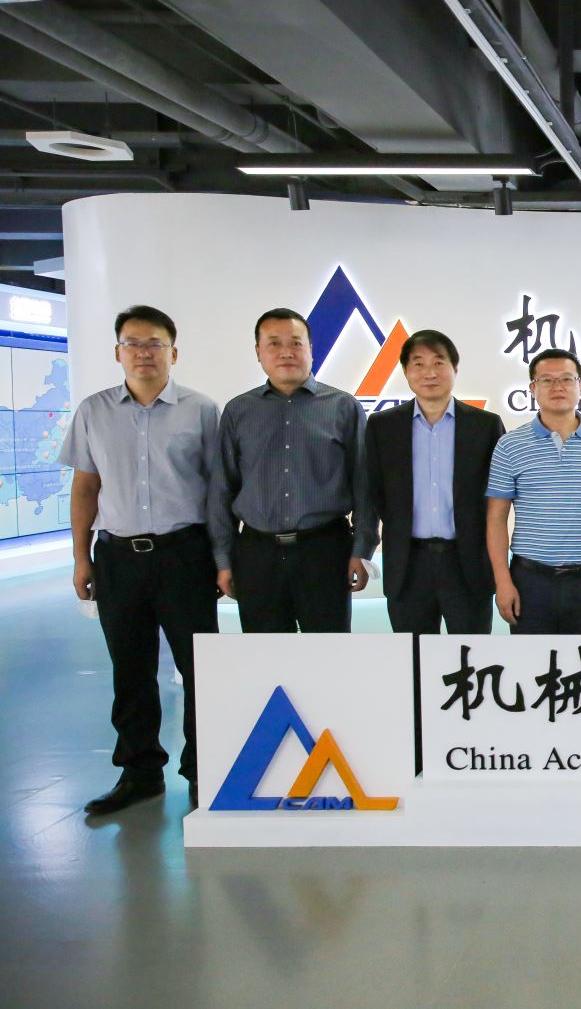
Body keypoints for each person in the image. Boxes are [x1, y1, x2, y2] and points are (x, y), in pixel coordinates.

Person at [61, 305, 220, 815]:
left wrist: (222, 559)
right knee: (130, 669)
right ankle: (140, 772)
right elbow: (85, 486)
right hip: (118, 557)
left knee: (199, 668)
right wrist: (80, 557)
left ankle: (202, 772)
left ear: (174, 352)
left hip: (185, 556)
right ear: (117, 352)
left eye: (154, 343)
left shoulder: (202, 410)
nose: (143, 353)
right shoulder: (94, 411)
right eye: (133, 343)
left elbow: (219, 490)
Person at [209, 308, 377, 633]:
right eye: (273, 343)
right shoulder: (239, 411)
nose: (286, 352)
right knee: (266, 654)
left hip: (325, 550)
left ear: (311, 349)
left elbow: (364, 486)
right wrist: (224, 560)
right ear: (258, 352)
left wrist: (362, 550)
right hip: (257, 553)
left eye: (296, 343)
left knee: (328, 651)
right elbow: (221, 490)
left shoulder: (342, 407)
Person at [366, 329, 505, 634]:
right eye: (418, 364)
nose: (429, 373)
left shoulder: (485, 426)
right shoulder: (382, 426)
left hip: (466, 563)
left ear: (455, 369)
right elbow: (374, 490)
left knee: (470, 655)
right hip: (408, 564)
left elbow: (497, 496)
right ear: (406, 372)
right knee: (413, 655)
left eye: (439, 363)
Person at [487, 348, 581, 634]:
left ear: (580, 386)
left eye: (567, 379)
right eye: (547, 380)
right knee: (531, 661)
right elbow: (495, 519)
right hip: (530, 580)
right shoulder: (510, 445)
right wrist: (502, 581)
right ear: (533, 388)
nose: (558, 387)